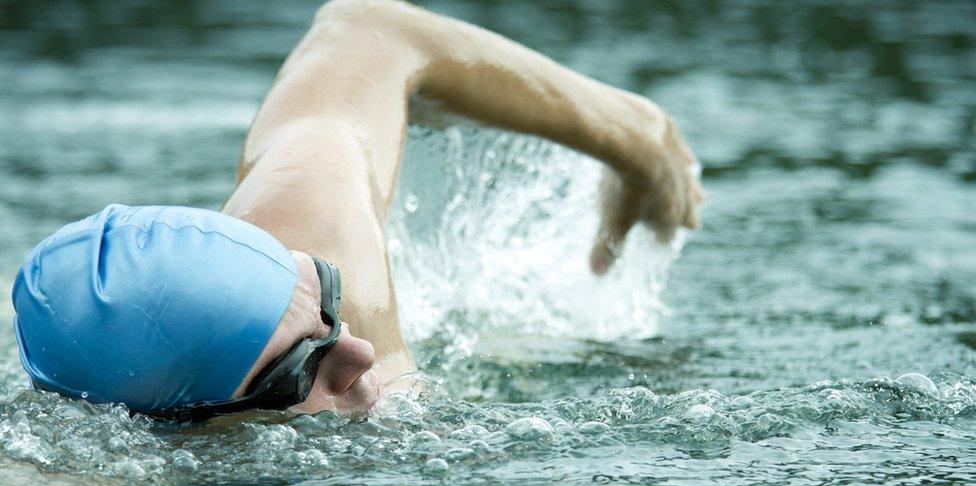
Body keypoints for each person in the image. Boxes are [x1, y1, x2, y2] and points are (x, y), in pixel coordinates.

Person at [11, 0, 703, 422]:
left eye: (323, 304)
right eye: (296, 368)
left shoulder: (318, 230)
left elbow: (367, 28)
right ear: (175, 422)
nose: (359, 351)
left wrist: (640, 144)